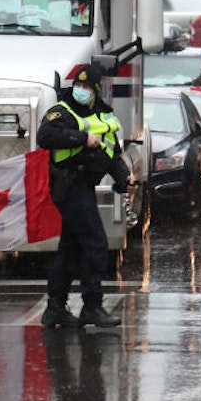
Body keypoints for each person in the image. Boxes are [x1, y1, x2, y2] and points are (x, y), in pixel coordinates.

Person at [38, 64, 137, 329]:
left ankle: (55, 307)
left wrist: (124, 176)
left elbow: (109, 153)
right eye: (77, 86)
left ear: (96, 90)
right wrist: (81, 138)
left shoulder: (104, 116)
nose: (80, 91)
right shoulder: (63, 110)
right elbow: (45, 136)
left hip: (84, 186)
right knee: (95, 243)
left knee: (70, 248)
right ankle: (92, 306)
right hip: (68, 185)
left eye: (86, 87)